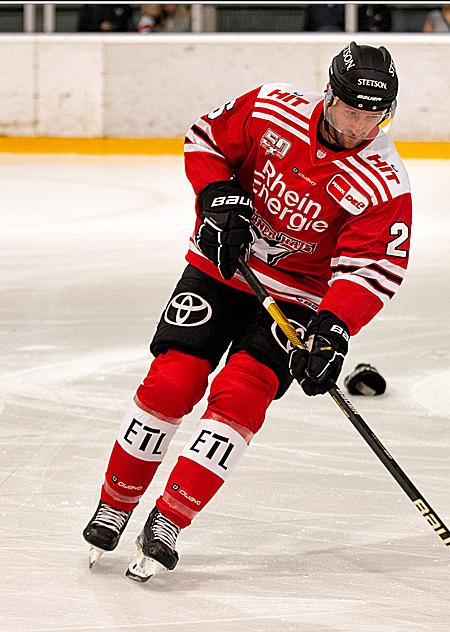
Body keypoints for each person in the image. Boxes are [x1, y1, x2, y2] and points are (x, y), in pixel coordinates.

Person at [82, 42, 412, 582]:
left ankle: (168, 520)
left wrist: (333, 328)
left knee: (243, 391)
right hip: (222, 267)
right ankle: (115, 502)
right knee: (172, 381)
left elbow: (373, 269)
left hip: (298, 298)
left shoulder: (382, 182)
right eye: (353, 111)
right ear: (328, 94)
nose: (360, 128)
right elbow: (206, 138)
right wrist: (218, 196)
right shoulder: (269, 109)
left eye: (375, 116)